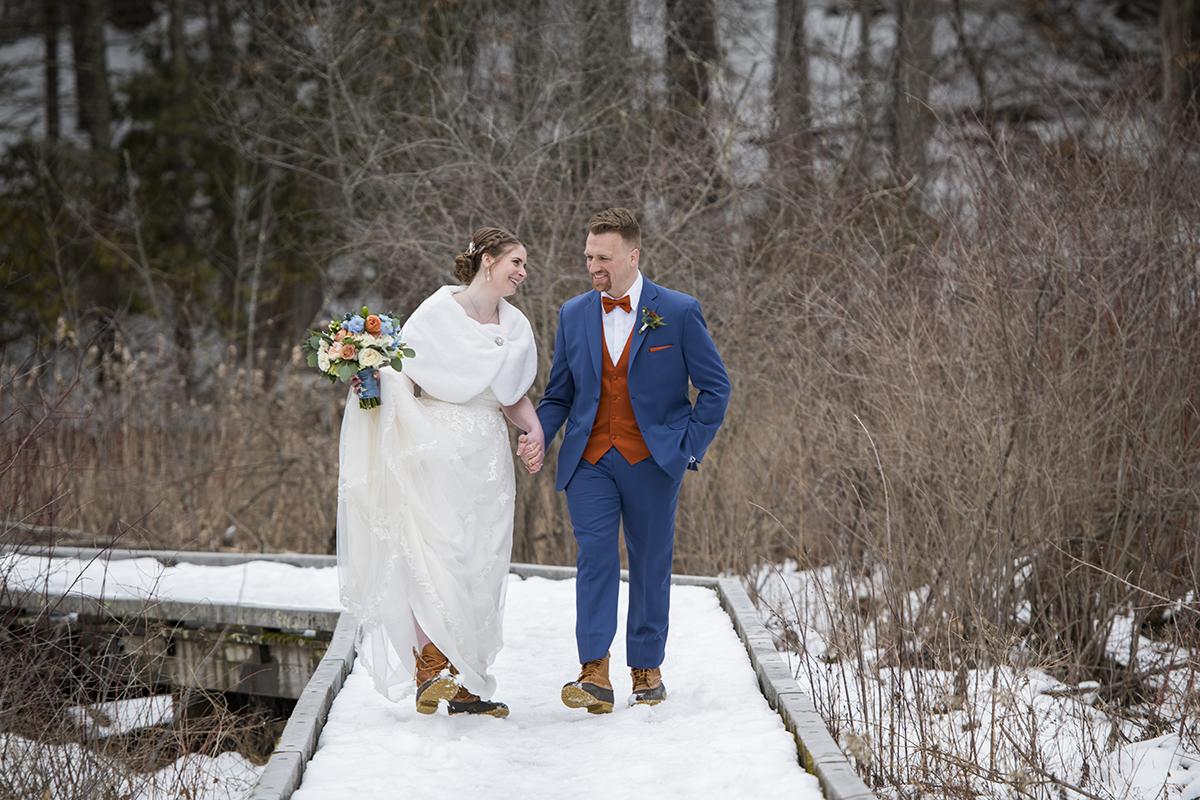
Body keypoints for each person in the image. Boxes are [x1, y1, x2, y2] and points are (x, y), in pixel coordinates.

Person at [525, 207, 730, 713]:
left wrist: (688, 446)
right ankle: (594, 670)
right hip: (590, 458)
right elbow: (558, 395)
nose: (593, 266)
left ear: (633, 256)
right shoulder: (573, 314)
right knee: (595, 555)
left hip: (654, 461)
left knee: (650, 561)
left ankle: (646, 666)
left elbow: (716, 387)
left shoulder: (677, 312)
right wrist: (540, 435)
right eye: (589, 256)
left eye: (604, 257)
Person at [336, 226, 544, 719]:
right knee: (437, 554)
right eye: (515, 261)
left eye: (525, 264)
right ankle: (431, 665)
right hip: (435, 446)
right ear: (487, 261)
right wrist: (369, 375)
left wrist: (533, 433)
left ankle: (467, 680)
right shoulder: (434, 313)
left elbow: (512, 395)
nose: (522, 271)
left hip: (488, 455)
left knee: (482, 563)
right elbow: (404, 376)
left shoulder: (516, 328)